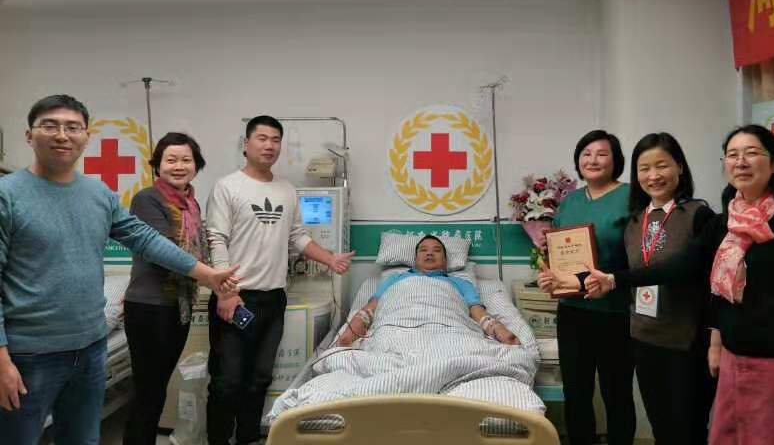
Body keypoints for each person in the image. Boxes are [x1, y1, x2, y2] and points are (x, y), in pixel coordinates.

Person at [0, 95, 239, 445]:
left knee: (83, 439)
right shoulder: (8, 195)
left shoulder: (98, 194)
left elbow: (145, 239)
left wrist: (207, 275)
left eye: (72, 127)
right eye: (50, 126)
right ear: (28, 135)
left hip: (91, 348)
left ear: (86, 136)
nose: (62, 135)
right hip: (30, 355)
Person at [587, 125, 774, 445]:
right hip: (733, 354)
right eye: (732, 155)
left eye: (752, 153)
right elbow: (689, 269)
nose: (741, 161)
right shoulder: (726, 222)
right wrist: (614, 279)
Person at [205, 115, 355, 445]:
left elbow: (297, 237)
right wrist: (226, 293)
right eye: (262, 138)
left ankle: (248, 437)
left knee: (259, 377)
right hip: (237, 297)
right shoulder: (227, 187)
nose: (269, 145)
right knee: (227, 380)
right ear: (246, 144)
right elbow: (216, 239)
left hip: (273, 299)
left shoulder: (286, 190)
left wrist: (330, 258)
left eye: (275, 140)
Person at [536, 129, 635, 445]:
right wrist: (548, 261)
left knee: (616, 392)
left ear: (616, 160)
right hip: (573, 311)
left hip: (615, 311)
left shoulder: (632, 197)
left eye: (602, 154)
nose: (593, 160)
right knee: (576, 392)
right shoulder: (570, 202)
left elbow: (642, 256)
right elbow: (559, 254)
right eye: (586, 154)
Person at [620, 133, 715, 444]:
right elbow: (625, 274)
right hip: (645, 337)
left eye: (662, 165)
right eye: (644, 168)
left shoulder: (699, 215)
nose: (653, 175)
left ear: (680, 167)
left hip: (687, 341)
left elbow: (703, 276)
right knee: (660, 426)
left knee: (688, 430)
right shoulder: (634, 222)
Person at [122, 132, 210, 445]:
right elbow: (163, 251)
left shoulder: (191, 203)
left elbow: (199, 246)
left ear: (196, 165)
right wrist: (212, 276)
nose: (179, 166)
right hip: (149, 307)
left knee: (156, 388)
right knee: (148, 391)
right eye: (171, 160)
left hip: (177, 305)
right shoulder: (147, 199)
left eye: (186, 160)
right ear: (157, 165)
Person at [336, 235, 520, 347]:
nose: (429, 253)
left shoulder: (461, 283)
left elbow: (480, 314)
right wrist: (347, 337)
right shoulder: (394, 279)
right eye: (423, 250)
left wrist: (503, 334)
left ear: (445, 261)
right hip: (396, 329)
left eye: (437, 250)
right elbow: (369, 311)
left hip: (450, 332)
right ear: (415, 259)